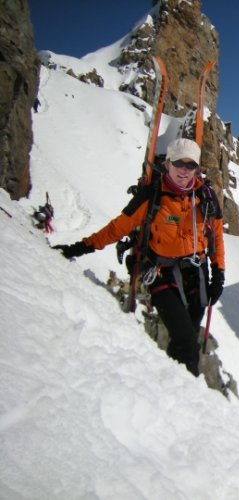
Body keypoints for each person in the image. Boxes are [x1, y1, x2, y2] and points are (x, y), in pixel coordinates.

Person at [54, 138, 225, 376]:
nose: (184, 171)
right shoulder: (151, 196)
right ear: (168, 164)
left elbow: (216, 238)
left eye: (191, 165)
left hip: (196, 276)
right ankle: (187, 394)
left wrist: (219, 274)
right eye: (179, 163)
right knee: (186, 340)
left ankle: (173, 387)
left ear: (197, 168)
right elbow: (117, 228)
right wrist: (81, 247)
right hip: (160, 274)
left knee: (186, 337)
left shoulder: (206, 198)